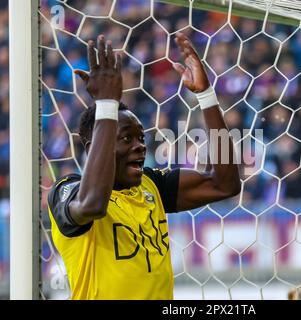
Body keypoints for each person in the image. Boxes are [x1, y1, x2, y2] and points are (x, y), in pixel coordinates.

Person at [47, 33, 241, 299]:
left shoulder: (152, 186)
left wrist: (206, 97)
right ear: (94, 147)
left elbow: (224, 184)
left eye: (141, 137)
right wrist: (105, 105)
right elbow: (92, 205)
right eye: (127, 138)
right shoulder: (66, 190)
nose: (140, 146)